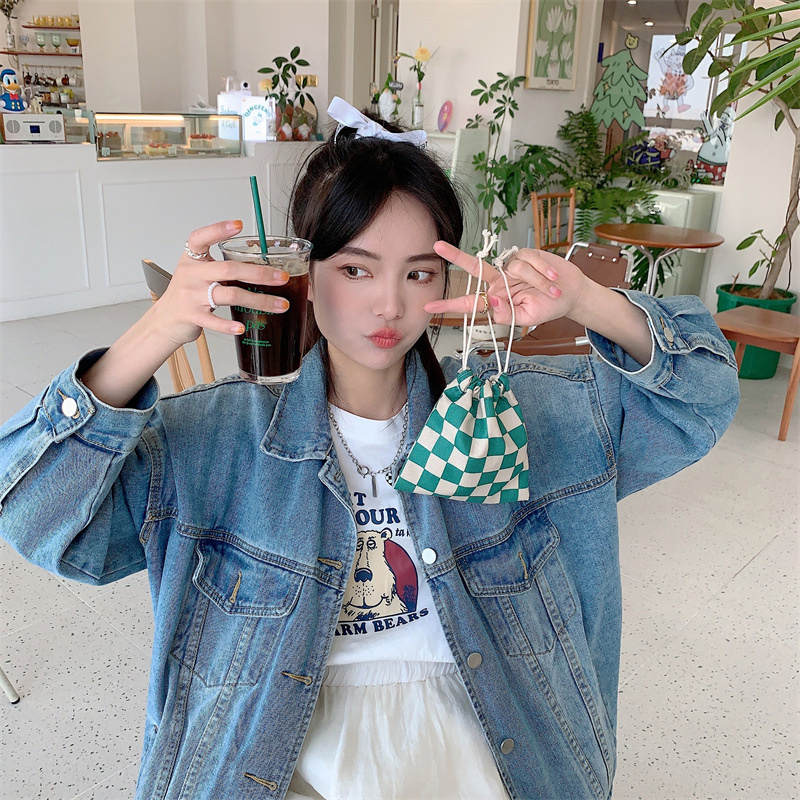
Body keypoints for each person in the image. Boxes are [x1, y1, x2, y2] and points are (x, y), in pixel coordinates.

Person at [0, 102, 739, 800]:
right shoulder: (215, 444)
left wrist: (587, 302)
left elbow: (702, 401)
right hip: (277, 758)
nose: (390, 303)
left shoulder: (518, 416)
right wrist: (155, 332)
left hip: (488, 747)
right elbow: (35, 518)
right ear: (305, 271)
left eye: (418, 272)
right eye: (355, 269)